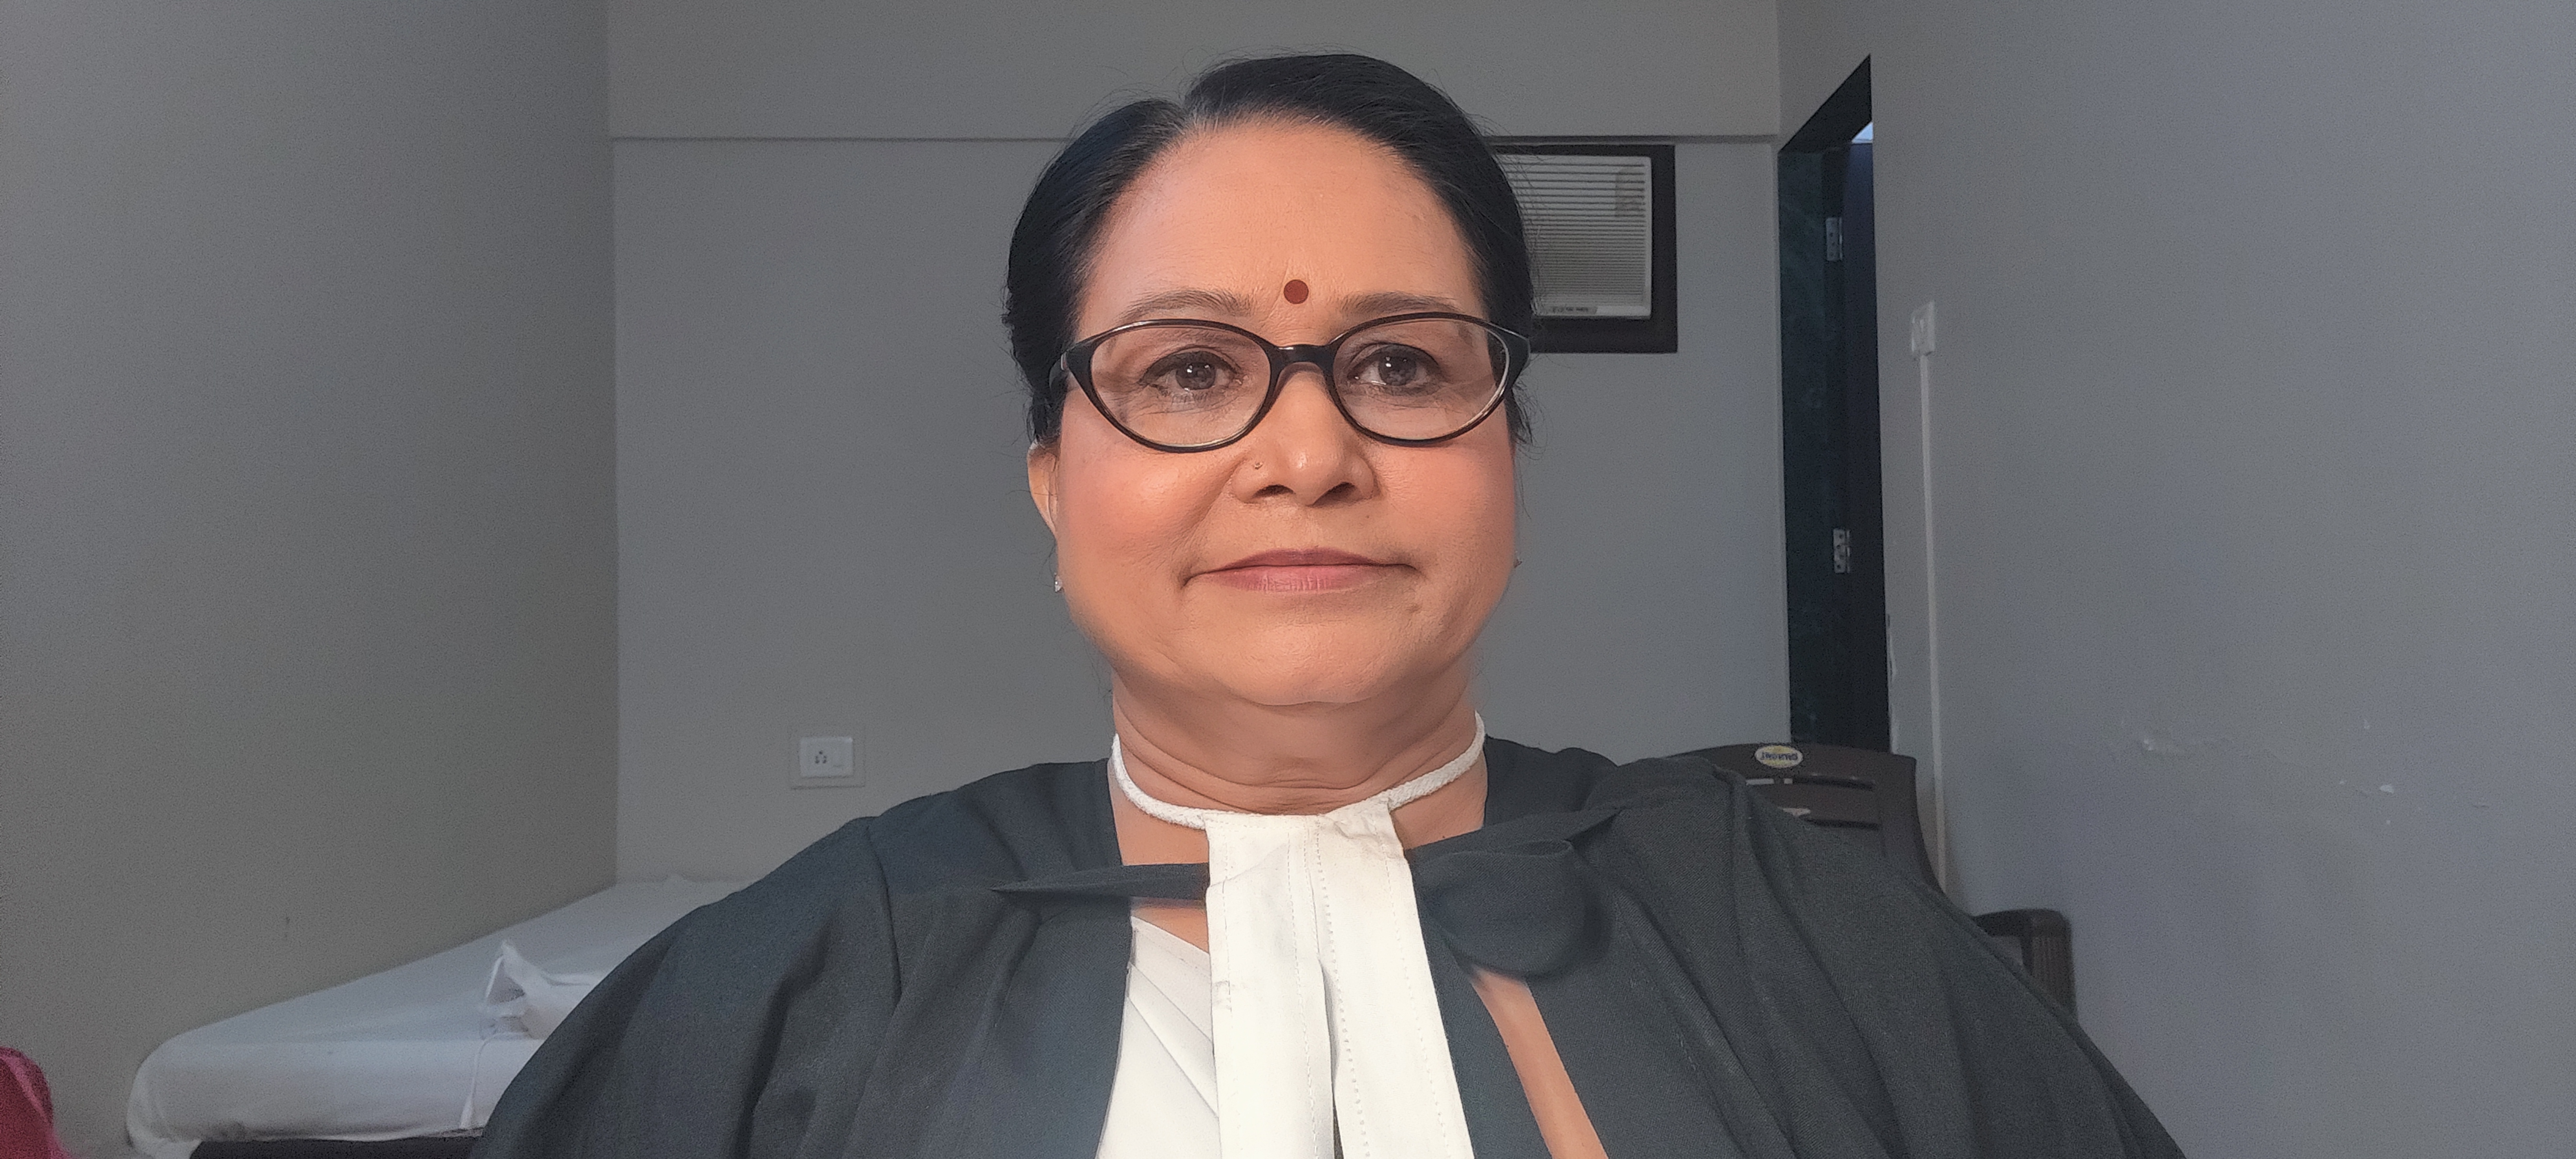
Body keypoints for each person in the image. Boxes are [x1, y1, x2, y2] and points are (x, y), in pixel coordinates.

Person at [472, 53, 2182, 1159]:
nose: (1307, 453)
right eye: (1189, 369)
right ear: (1052, 477)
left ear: (1507, 450)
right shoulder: (791, 986)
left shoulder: (1818, 943)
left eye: (1399, 365)